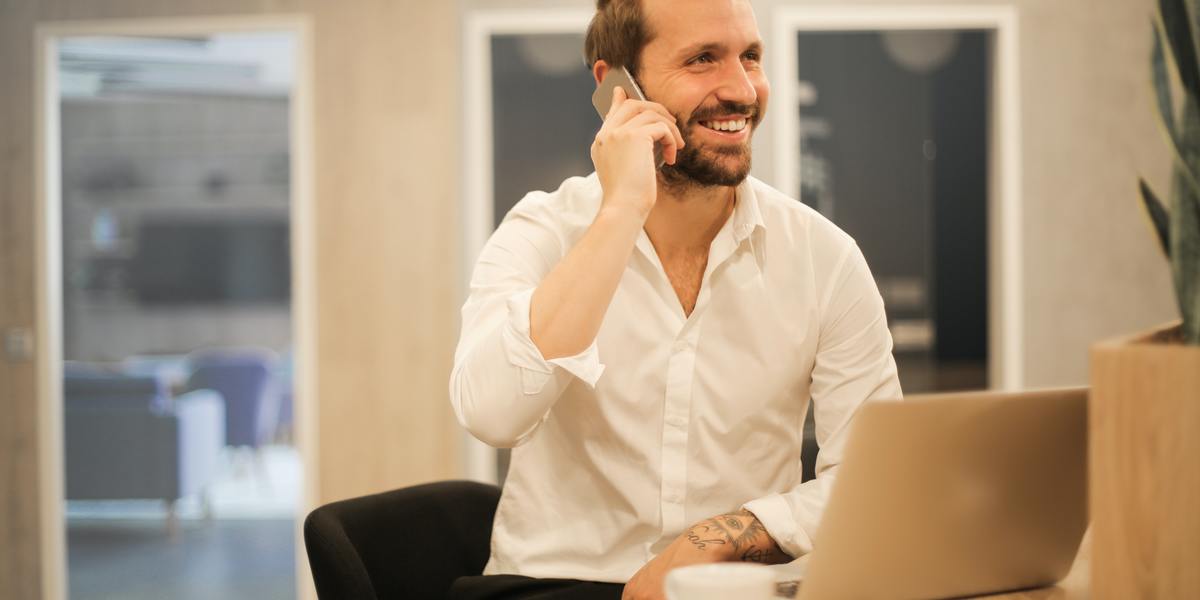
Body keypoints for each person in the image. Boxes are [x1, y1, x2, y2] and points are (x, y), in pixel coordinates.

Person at [448, 0, 902, 598]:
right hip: (553, 583)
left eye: (750, 57)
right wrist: (621, 210)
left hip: (732, 586)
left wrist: (719, 538)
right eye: (702, 59)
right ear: (617, 86)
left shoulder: (825, 258)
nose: (742, 90)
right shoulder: (542, 230)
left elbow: (872, 480)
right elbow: (492, 415)